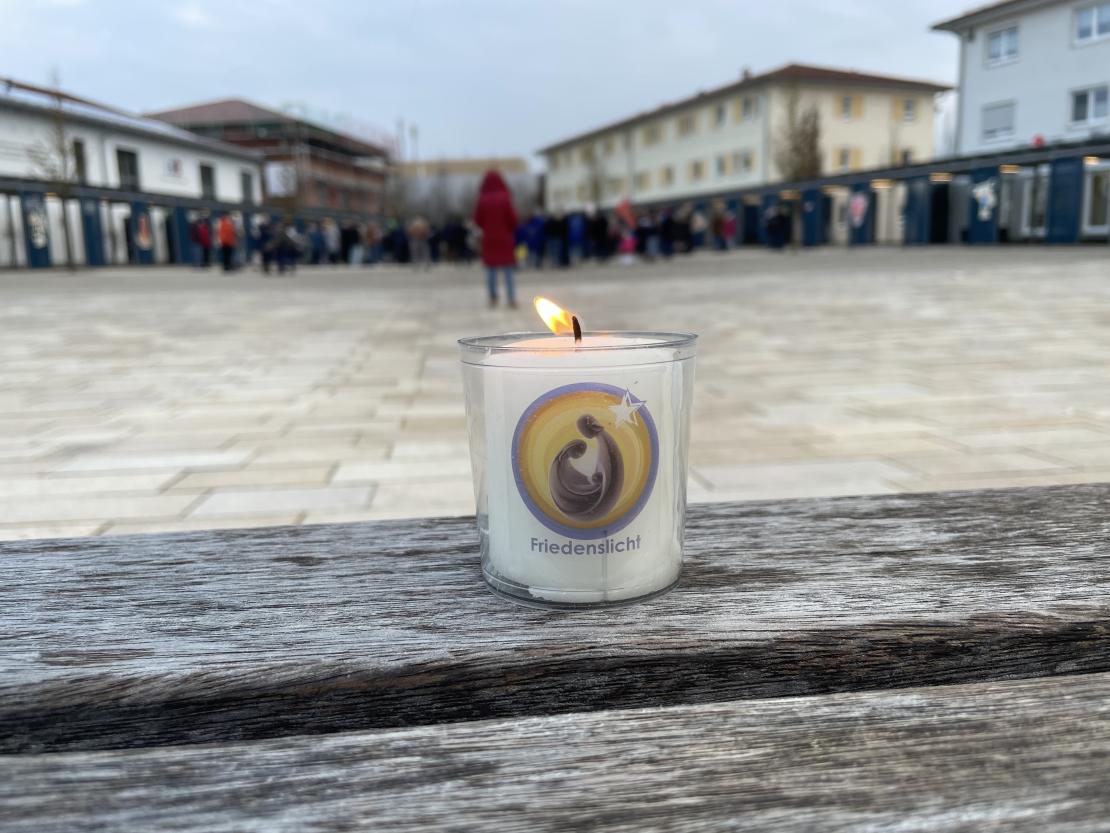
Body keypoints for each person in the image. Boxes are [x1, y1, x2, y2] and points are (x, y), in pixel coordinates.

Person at [473, 170, 518, 308]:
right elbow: (513, 219)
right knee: (508, 270)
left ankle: (493, 297)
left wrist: (487, 227)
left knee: (491, 270)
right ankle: (511, 298)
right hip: (504, 238)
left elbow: (477, 219)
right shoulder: (505, 198)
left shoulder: (482, 199)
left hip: (489, 239)